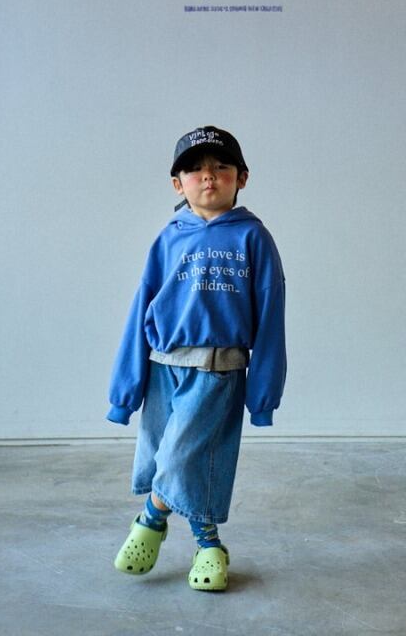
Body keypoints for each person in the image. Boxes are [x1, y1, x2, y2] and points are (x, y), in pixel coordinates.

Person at [107, 125, 286, 591]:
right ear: (177, 184)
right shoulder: (168, 238)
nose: (209, 177)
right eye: (195, 170)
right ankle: (210, 546)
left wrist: (263, 395)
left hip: (217, 370)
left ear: (241, 178)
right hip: (162, 367)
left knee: (179, 455)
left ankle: (150, 519)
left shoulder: (253, 238)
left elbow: (271, 315)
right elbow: (141, 309)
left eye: (221, 167)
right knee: (188, 461)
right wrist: (125, 392)